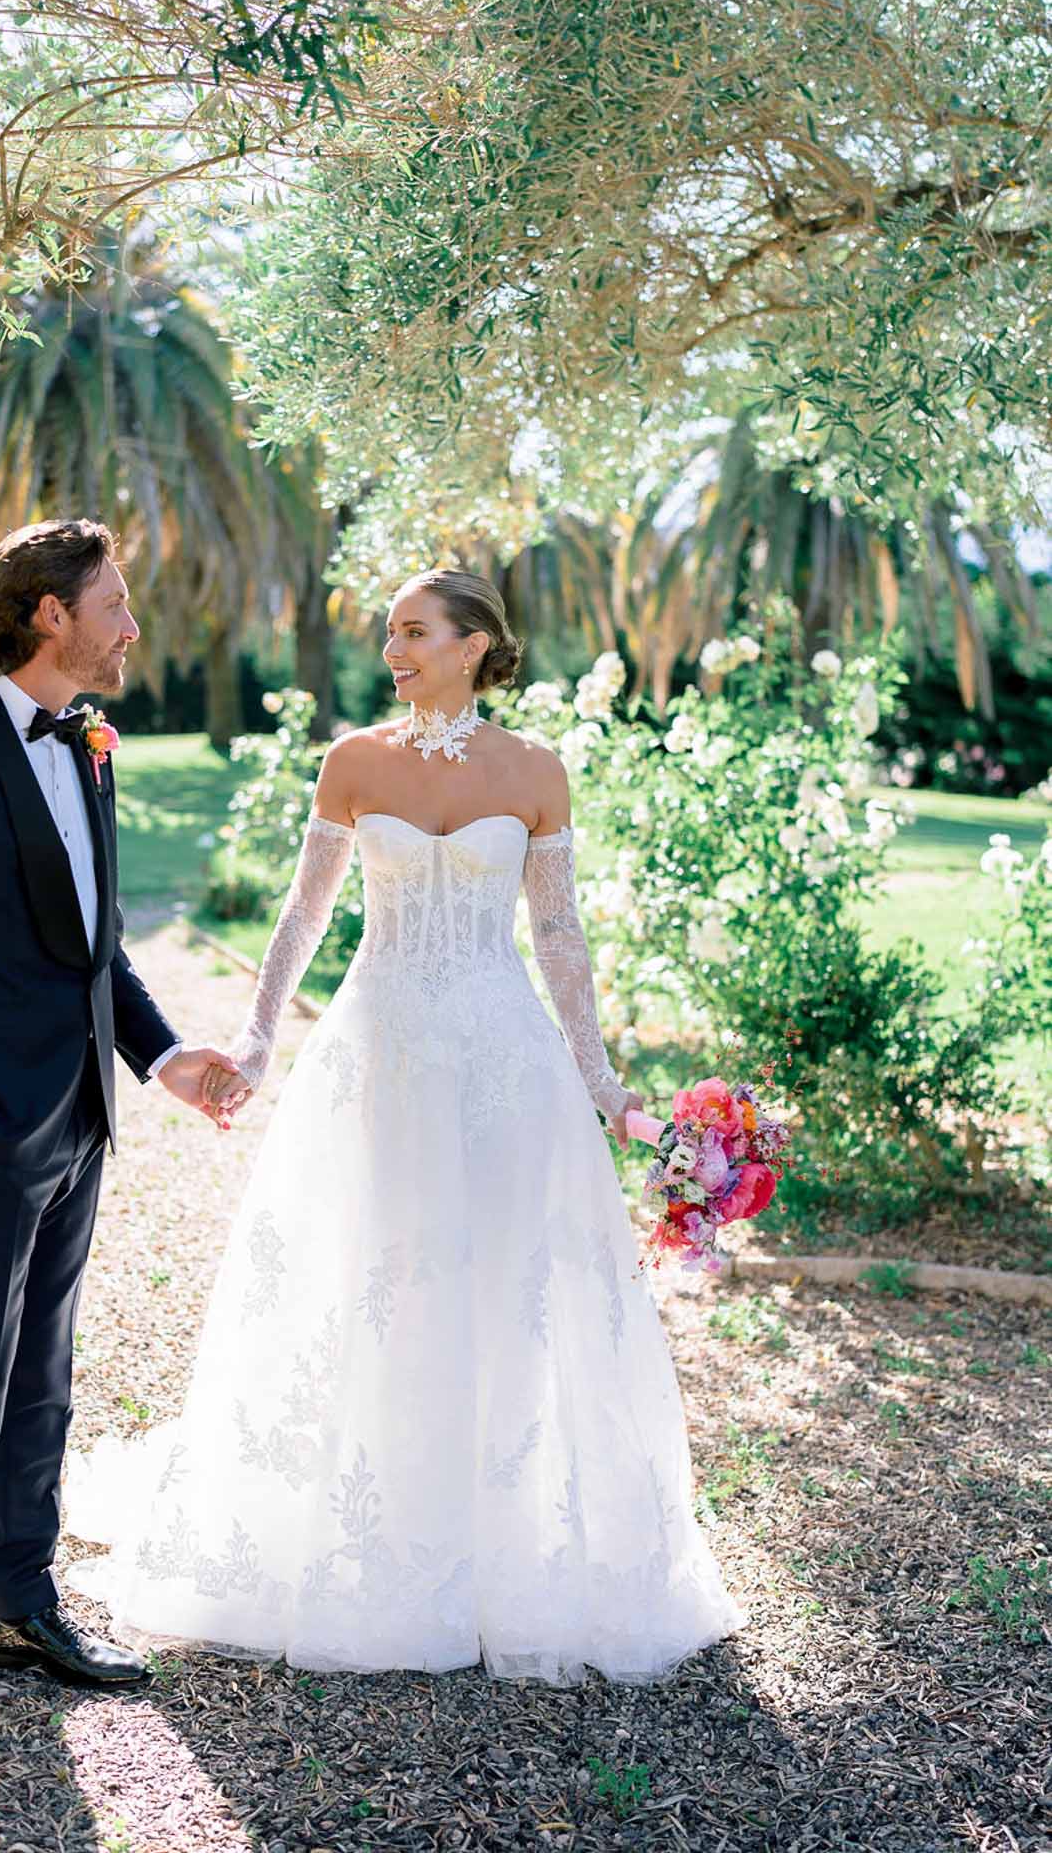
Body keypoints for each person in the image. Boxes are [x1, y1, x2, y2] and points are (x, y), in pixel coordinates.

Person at [64, 568, 746, 1685]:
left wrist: (606, 1084)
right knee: (379, 1272)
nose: (396, 648)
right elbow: (304, 910)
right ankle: (377, 1519)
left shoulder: (534, 771)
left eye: (416, 631)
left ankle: (497, 1537)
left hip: (501, 1057)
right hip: (377, 1051)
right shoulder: (354, 760)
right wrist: (255, 1040)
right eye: (389, 633)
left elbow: (560, 940)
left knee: (501, 1282)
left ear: (477, 645)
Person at [0, 518, 242, 1782]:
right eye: (114, 600)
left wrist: (164, 1054)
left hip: (81, 1120)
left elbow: (95, 950)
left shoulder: (91, 744)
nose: (133, 624)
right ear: (48, 616)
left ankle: (22, 1606)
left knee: (48, 1376)